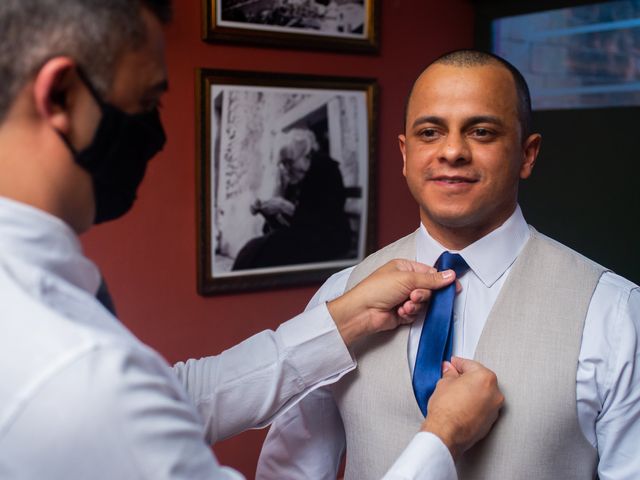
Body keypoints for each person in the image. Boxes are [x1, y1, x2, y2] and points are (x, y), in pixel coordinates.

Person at [0, 3, 504, 479]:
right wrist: (440, 440)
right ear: (61, 95)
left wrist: (341, 321)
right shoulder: (72, 366)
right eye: (145, 103)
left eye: (481, 132)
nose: (156, 136)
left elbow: (175, 396)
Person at [257, 49, 640, 479]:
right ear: (405, 154)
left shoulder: (615, 312)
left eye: (481, 131)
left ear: (528, 154)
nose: (452, 151)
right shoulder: (340, 296)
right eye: (430, 132)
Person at [233, 128, 352, 270]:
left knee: (263, 252)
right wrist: (268, 212)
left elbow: (325, 221)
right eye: (283, 163)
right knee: (252, 249)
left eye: (289, 162)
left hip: (330, 239)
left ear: (306, 155)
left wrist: (284, 207)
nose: (286, 169)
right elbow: (286, 224)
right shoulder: (294, 175)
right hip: (304, 236)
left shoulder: (327, 170)